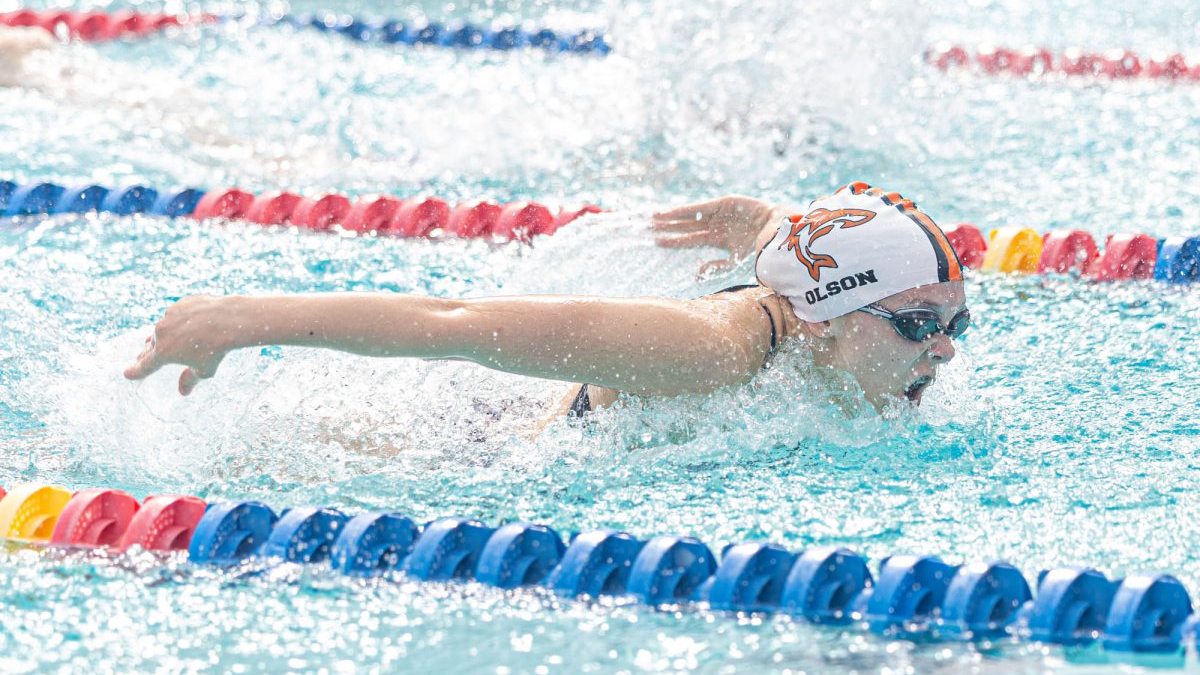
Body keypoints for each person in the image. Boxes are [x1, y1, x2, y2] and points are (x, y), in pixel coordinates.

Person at [123, 182, 969, 424]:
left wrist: (762, 224)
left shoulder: (823, 293)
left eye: (956, 321)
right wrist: (243, 318)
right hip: (477, 443)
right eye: (920, 326)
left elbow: (806, 241)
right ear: (821, 317)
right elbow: (455, 324)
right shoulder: (706, 351)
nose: (946, 350)